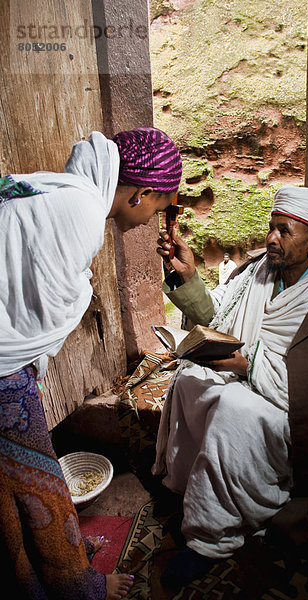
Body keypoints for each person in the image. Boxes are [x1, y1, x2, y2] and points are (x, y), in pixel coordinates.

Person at [154, 184, 308, 588]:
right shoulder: (257, 271)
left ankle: (211, 537)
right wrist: (188, 277)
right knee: (189, 379)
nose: (271, 238)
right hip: (240, 377)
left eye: (284, 231)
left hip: (286, 412)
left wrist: (250, 366)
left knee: (231, 407)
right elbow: (217, 316)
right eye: (271, 227)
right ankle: (195, 484)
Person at [0, 127, 182, 599]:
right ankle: (75, 586)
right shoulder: (80, 211)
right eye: (154, 211)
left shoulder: (63, 190)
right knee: (38, 484)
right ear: (140, 192)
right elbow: (50, 306)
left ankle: (39, 567)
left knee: (11, 484)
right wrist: (81, 290)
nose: (146, 224)